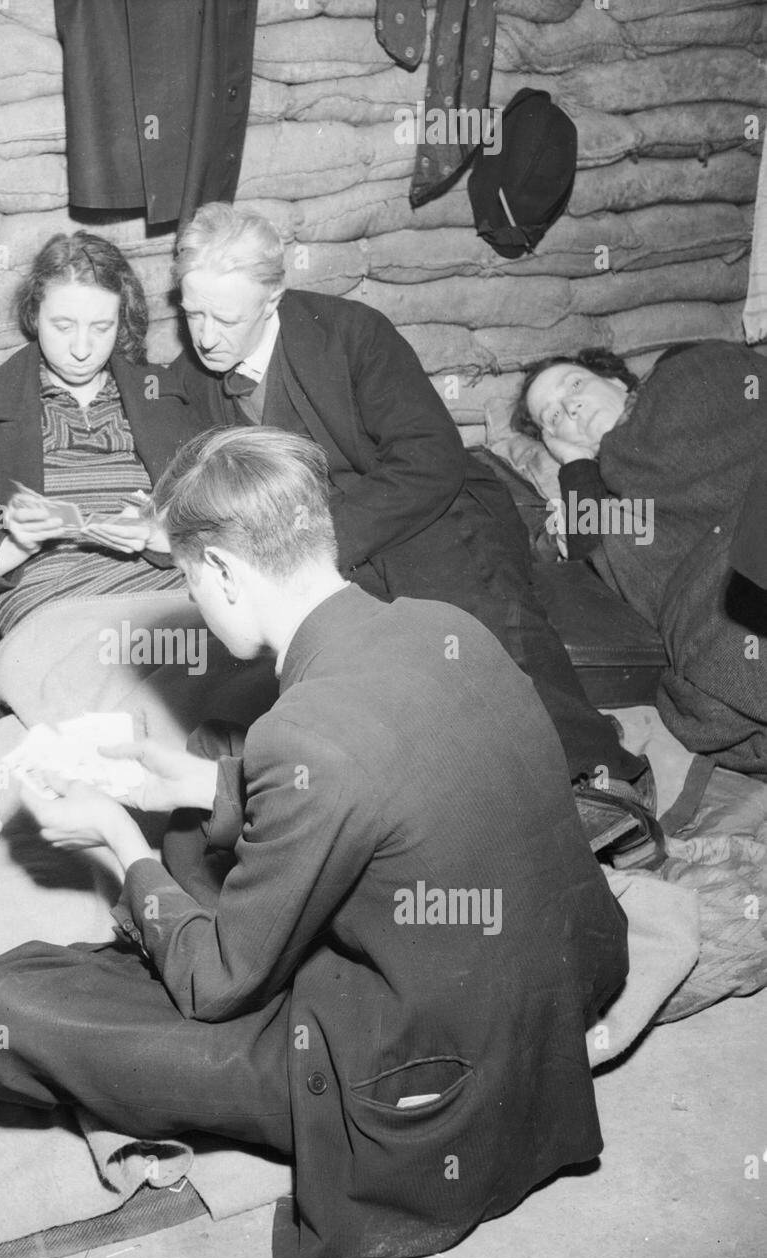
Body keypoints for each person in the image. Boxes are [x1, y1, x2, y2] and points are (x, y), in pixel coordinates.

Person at [0, 426, 628, 1258]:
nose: (191, 599)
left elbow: (214, 987)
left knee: (7, 1001)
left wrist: (114, 841)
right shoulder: (439, 622)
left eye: (187, 578)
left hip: (421, 1074)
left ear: (225, 573)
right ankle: (181, 880)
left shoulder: (299, 733)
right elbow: (379, 773)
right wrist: (198, 781)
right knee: (194, 830)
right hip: (556, 979)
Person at [167, 201, 654, 815]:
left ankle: (602, 775)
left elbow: (430, 456)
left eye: (224, 317)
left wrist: (315, 545)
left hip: (432, 506)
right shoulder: (190, 379)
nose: (205, 336)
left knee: (468, 621)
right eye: (192, 314)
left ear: (272, 299)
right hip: (318, 551)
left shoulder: (349, 333)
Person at [0, 231, 212, 729]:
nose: (81, 348)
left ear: (122, 322)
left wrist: (159, 535)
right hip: (54, 608)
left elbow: (221, 521)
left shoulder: (161, 392)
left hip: (161, 595)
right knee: (105, 698)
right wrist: (16, 543)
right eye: (62, 325)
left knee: (216, 670)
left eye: (101, 327)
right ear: (34, 315)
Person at [514, 342, 767, 774]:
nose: (569, 406)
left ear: (615, 380)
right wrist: (576, 463)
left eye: (574, 384)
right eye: (552, 417)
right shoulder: (619, 504)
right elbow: (589, 554)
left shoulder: (684, 374)